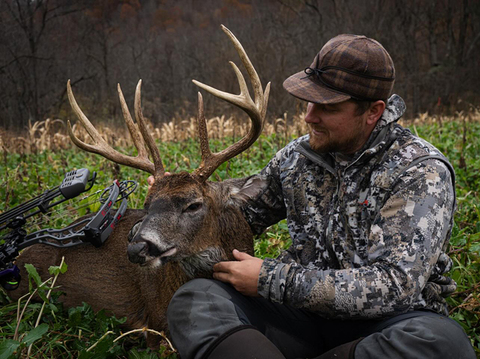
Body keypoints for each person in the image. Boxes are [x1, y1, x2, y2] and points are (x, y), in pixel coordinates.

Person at [162, 34, 476, 358]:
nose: (309, 116)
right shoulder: (297, 158)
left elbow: (394, 286)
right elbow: (233, 217)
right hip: (300, 321)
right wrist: (173, 203)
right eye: (308, 102)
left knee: (442, 344)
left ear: (373, 111)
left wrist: (272, 279)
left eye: (327, 107)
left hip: (386, 326)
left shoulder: (418, 171)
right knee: (197, 301)